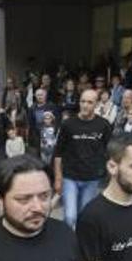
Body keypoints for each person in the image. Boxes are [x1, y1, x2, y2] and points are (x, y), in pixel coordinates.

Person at [53, 89, 113, 229]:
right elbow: (58, 152)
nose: (85, 105)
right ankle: (66, 244)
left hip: (92, 178)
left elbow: (110, 152)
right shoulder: (68, 124)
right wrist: (57, 177)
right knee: (70, 216)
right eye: (83, 101)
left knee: (84, 217)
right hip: (70, 177)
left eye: (90, 102)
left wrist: (111, 176)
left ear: (96, 104)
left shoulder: (103, 125)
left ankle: (79, 246)